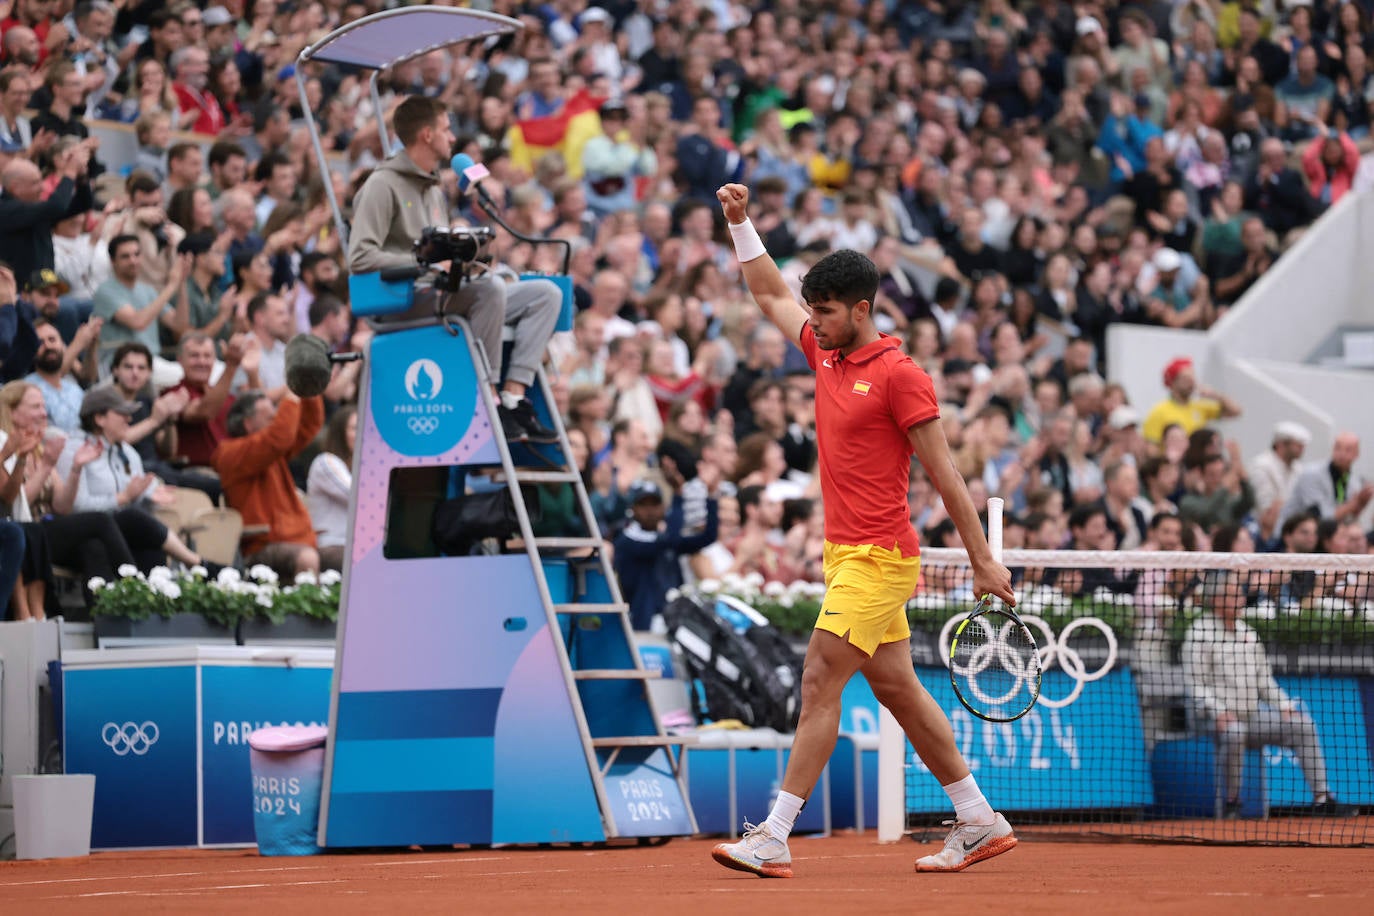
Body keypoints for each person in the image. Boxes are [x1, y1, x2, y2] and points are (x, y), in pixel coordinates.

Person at [710, 183, 1017, 878]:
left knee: (819, 678)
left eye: (823, 313)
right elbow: (766, 293)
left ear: (861, 310)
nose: (811, 323)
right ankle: (977, 818)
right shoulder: (826, 351)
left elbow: (946, 475)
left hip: (879, 560)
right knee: (899, 691)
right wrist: (741, 223)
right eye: (811, 312)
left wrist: (983, 561)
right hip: (844, 556)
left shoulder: (902, 376)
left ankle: (775, 834)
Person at [347, 94, 558, 444]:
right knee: (489, 291)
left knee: (544, 294)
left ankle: (513, 398)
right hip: (402, 300)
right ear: (427, 135)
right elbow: (360, 257)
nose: (454, 138)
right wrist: (424, 262)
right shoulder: (381, 185)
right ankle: (489, 399)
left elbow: (439, 251)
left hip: (443, 289)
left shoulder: (433, 188)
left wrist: (468, 255)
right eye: (447, 129)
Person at [1184, 570, 1342, 818]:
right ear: (1215, 599)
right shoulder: (1199, 633)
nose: (1240, 599)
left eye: (1239, 593)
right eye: (1233, 594)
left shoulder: (1248, 634)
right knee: (1235, 732)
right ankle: (1232, 802)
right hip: (1211, 718)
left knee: (1303, 725)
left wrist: (1284, 705)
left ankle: (1322, 799)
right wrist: (1219, 711)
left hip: (1251, 715)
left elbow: (1264, 681)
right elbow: (1196, 685)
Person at [213, 389, 323, 579]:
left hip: (299, 541)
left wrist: (309, 385)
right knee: (307, 558)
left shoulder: (270, 450)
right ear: (248, 424)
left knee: (347, 555)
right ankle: (305, 609)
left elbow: (308, 424)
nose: (278, 422)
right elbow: (280, 437)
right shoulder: (230, 453)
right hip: (260, 547)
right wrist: (291, 397)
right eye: (271, 418)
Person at [612, 473, 718, 631]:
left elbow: (708, 537)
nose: (650, 510)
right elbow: (665, 542)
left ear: (662, 507)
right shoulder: (626, 541)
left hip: (677, 618)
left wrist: (711, 497)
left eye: (655, 504)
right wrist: (677, 498)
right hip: (646, 622)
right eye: (643, 504)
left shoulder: (665, 540)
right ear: (633, 508)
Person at [1141, 356, 1241, 444]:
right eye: (1185, 378)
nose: (1191, 382)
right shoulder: (1159, 411)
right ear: (1173, 382)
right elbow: (1151, 448)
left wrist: (1215, 395)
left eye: (1192, 377)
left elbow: (1235, 411)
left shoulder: (1199, 406)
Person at [1284, 431, 1373, 524]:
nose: (1341, 454)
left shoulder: (1354, 482)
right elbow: (1319, 517)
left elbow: (1347, 519)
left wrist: (1361, 504)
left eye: (1348, 450)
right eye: (1338, 448)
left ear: (1357, 454)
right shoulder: (1311, 474)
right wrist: (1354, 504)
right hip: (1292, 534)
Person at [306, 404, 354, 572]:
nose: (362, 434)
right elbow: (355, 495)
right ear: (340, 433)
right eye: (355, 428)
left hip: (358, 545)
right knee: (367, 563)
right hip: (331, 545)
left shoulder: (361, 467)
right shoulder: (325, 462)